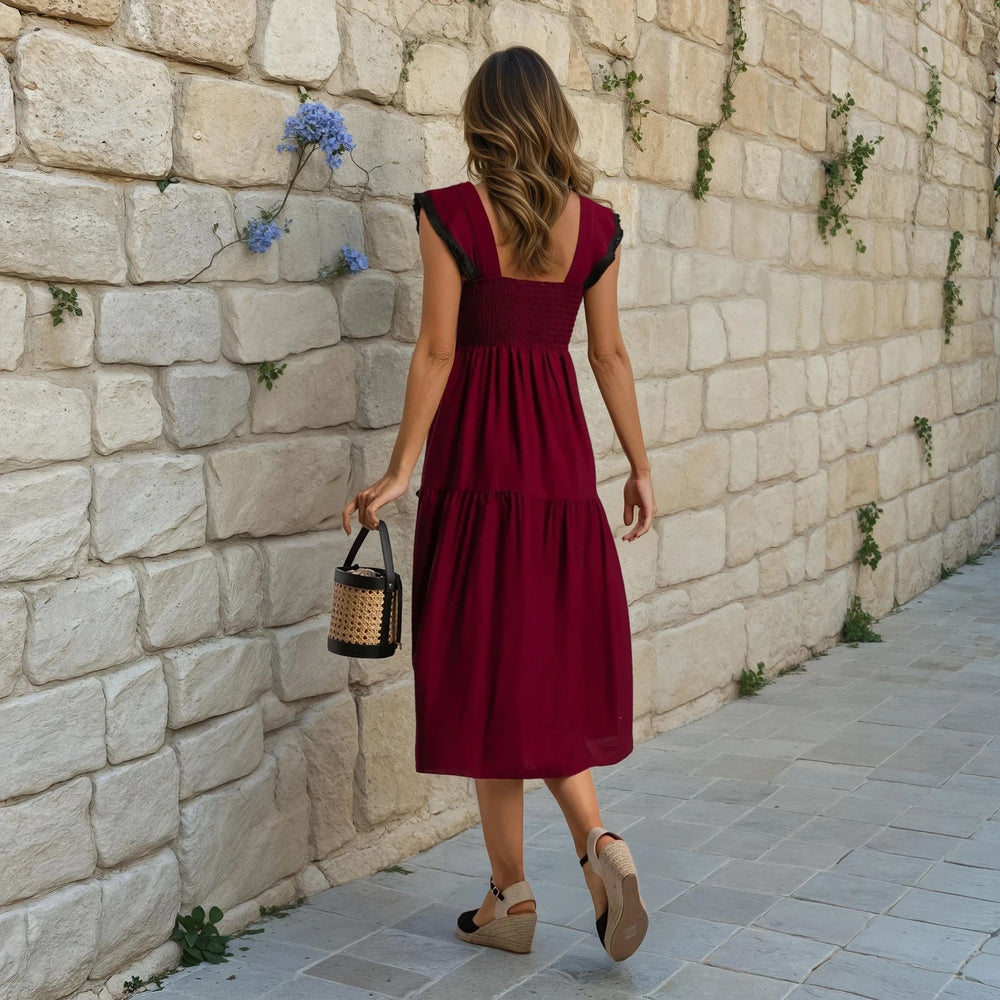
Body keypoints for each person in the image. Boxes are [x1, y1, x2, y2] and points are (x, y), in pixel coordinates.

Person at [341, 45, 656, 963]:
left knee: (488, 672)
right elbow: (608, 355)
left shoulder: (452, 213)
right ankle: (582, 850)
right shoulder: (596, 227)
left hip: (477, 465)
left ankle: (517, 890)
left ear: (482, 121)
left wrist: (400, 469)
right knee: (540, 669)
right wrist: (639, 466)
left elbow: (438, 351)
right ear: (553, 119)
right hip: (558, 468)